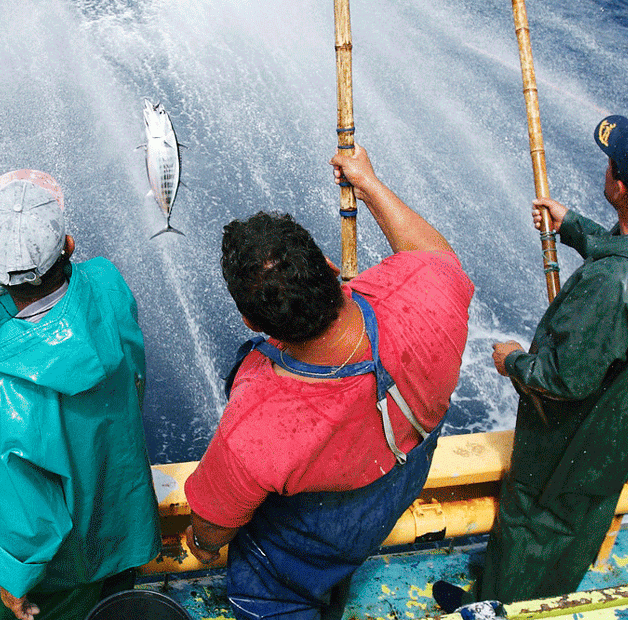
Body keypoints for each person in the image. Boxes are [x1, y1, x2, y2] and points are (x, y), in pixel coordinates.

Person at [184, 145, 475, 620]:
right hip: (393, 491)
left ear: (249, 321)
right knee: (340, 562)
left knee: (272, 591)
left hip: (305, 550)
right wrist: (368, 182)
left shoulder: (254, 427)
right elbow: (433, 252)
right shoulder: (427, 291)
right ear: (328, 265)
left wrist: (199, 544)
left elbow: (212, 529)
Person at [474, 115, 628, 604]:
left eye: (612, 163)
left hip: (574, 445)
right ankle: (550, 601)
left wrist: (512, 361)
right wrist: (573, 227)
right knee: (577, 527)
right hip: (627, 433)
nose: (607, 167)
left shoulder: (613, 284)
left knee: (533, 524)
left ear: (621, 186)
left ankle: (501, 609)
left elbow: (561, 380)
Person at [0, 169, 160, 620]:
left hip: (61, 573)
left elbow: (25, 511)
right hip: (123, 527)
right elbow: (66, 285)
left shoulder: (5, 387)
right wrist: (6, 231)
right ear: (68, 246)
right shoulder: (109, 284)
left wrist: (14, 581)